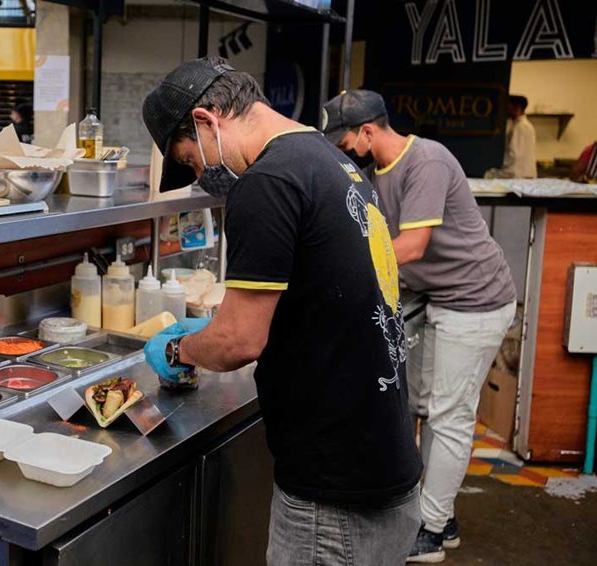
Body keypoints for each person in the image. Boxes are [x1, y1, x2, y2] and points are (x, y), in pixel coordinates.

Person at [142, 58, 422, 566]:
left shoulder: (267, 183)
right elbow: (320, 291)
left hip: (334, 496)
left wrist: (181, 347)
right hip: (383, 459)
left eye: (194, 160)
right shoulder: (328, 160)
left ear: (207, 120)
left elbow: (238, 342)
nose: (204, 176)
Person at [323, 90, 517, 563]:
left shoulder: (426, 161)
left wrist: (339, 270)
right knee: (421, 404)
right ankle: (438, 513)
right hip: (434, 298)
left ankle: (430, 531)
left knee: (449, 416)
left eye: (345, 139)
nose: (342, 149)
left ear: (368, 131)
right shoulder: (376, 171)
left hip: (475, 300)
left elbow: (410, 246)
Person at [501, 94, 537, 178]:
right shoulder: (517, 125)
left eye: (508, 107)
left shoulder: (521, 126)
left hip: (520, 175)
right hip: (521, 175)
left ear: (517, 107)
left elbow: (514, 154)